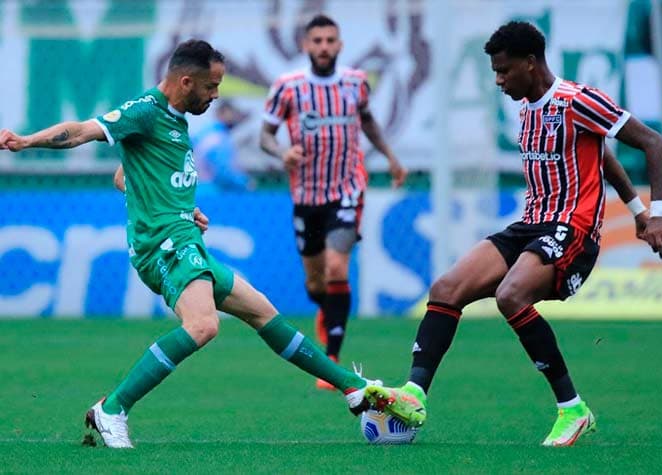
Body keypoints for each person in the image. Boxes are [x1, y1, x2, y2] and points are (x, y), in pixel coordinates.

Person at [0, 39, 417, 448]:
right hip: (164, 246)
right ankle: (112, 408)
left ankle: (352, 388)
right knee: (202, 326)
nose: (216, 95)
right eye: (211, 86)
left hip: (182, 237)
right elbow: (82, 131)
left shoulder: (174, 122)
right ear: (185, 82)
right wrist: (26, 141)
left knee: (263, 313)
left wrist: (177, 206)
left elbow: (122, 177)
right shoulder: (145, 111)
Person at [365, 21, 662, 443]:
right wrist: (636, 209)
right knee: (445, 288)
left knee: (510, 296)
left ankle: (573, 409)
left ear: (531, 64)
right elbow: (600, 156)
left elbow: (654, 143)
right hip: (531, 225)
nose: (498, 80)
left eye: (504, 70)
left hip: (574, 230)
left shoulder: (577, 100)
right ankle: (414, 394)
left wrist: (654, 212)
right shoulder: (528, 106)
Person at [259, 14, 408, 391]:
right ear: (306, 45)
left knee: (337, 269)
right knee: (315, 283)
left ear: (339, 45)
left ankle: (334, 356)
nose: (324, 46)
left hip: (347, 188)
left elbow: (368, 121)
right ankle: (327, 310)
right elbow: (265, 136)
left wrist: (390, 157)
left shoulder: (355, 82)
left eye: (330, 40)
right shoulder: (288, 87)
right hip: (306, 195)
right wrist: (281, 153)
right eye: (317, 41)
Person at [192, 99, 253, 192]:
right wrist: (245, 183)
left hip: (195, 191)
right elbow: (223, 172)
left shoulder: (203, 134)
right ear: (223, 113)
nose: (236, 117)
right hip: (213, 194)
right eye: (233, 113)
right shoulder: (219, 138)